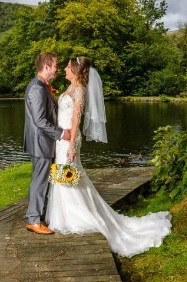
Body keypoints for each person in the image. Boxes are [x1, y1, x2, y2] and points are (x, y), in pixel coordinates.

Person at [45, 56, 172, 257]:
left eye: (68, 67)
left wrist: (71, 145)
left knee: (67, 174)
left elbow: (76, 117)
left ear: (77, 71)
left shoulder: (78, 91)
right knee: (68, 175)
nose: (65, 70)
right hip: (61, 138)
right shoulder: (70, 89)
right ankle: (66, 214)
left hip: (69, 139)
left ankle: (76, 216)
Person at [24, 52, 71, 235]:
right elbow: (39, 120)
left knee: (41, 179)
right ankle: (33, 220)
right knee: (39, 181)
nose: (57, 69)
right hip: (40, 142)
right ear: (46, 66)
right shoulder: (37, 88)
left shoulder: (43, 86)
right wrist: (60, 134)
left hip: (43, 141)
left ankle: (36, 215)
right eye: (55, 66)